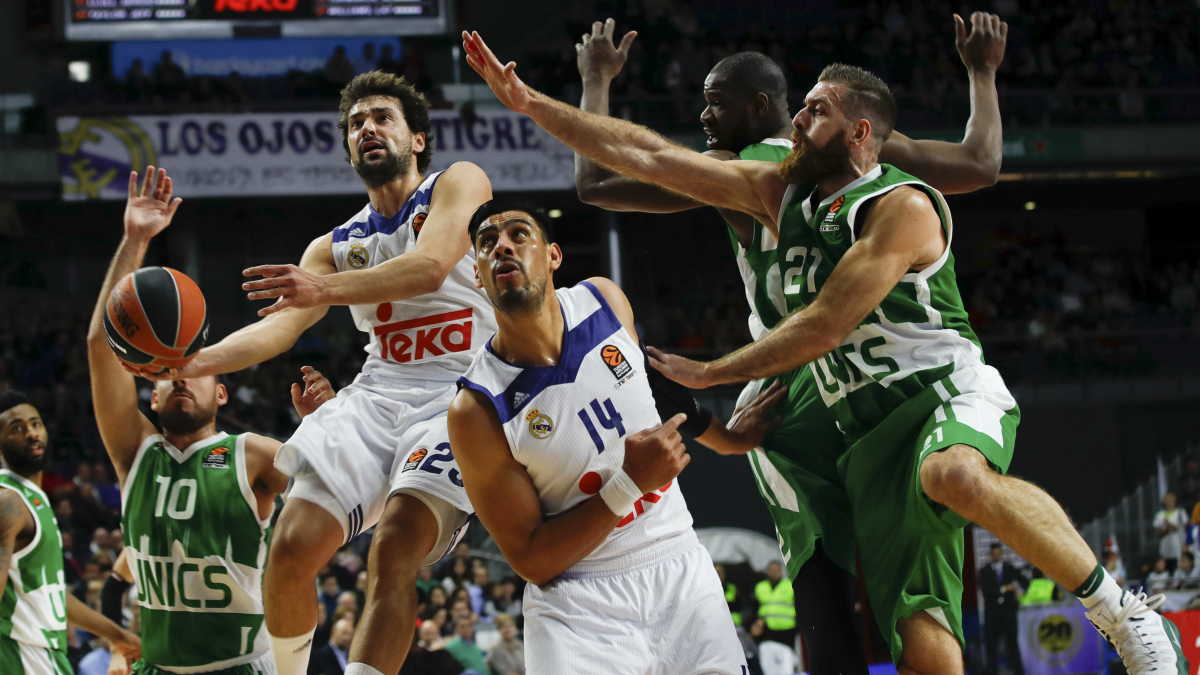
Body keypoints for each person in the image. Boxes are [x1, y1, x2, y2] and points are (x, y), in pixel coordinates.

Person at [462, 32, 1187, 673]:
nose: (797, 123)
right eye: (798, 110)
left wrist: (712, 375)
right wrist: (529, 99)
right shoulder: (773, 188)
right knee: (915, 624)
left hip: (927, 387)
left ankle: (1123, 613)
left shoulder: (894, 199)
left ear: (859, 133)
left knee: (952, 472)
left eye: (812, 113)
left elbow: (825, 323)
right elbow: (640, 154)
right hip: (851, 411)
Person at [572, 16, 1005, 675]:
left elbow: (596, 184)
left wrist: (596, 82)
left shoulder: (732, 168)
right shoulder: (866, 148)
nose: (703, 113)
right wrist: (981, 73)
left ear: (761, 107)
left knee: (815, 555)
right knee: (913, 559)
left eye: (715, 102)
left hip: (795, 376)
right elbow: (980, 163)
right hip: (875, 367)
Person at [138, 71, 494, 675]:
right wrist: (187, 361)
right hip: (378, 395)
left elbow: (431, 267)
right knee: (292, 548)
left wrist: (321, 289)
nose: (368, 129)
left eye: (382, 117)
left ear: (418, 139)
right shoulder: (332, 245)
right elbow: (278, 331)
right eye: (356, 123)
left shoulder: (458, 183)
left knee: (397, 542)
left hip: (463, 392)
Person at [449, 198, 784, 675]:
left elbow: (649, 387)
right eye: (487, 243)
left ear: (553, 256)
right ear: (478, 277)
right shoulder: (476, 406)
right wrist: (628, 484)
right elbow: (531, 558)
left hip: (678, 566)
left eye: (519, 233)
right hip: (577, 601)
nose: (502, 244)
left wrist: (728, 440)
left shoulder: (604, 299)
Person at [87, 167, 333, 675]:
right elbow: (100, 347)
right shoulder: (135, 452)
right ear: (149, 396)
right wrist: (135, 241)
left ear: (220, 389)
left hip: (242, 666)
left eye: (191, 367)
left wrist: (324, 427)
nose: (179, 376)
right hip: (155, 668)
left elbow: (333, 497)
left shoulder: (253, 453)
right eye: (165, 372)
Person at [0, 391, 142, 674]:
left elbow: (52, 595)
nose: (30, 433)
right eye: (17, 428)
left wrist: (117, 634)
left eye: (35, 424)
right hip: (19, 656)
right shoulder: (8, 503)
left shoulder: (33, 500)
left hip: (46, 655)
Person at [978, 543, 1024, 675]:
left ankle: (1018, 670)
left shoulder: (1010, 568)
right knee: (992, 644)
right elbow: (986, 590)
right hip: (992, 613)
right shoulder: (984, 571)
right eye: (994, 553)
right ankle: (992, 670)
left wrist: (1019, 593)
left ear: (1001, 554)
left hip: (1009, 612)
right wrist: (1004, 588)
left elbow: (1023, 581)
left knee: (1012, 643)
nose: (997, 555)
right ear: (991, 555)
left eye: (999, 553)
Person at [754, 561, 795, 646]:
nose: (774, 572)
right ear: (767, 571)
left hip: (787, 629)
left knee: (787, 656)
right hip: (767, 629)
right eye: (771, 570)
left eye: (776, 570)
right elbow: (755, 606)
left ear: (781, 571)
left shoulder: (790, 585)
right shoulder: (760, 586)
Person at [1155, 492, 1188, 571]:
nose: (1169, 501)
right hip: (1165, 550)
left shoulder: (1181, 512)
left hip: (1178, 548)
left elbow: (1183, 529)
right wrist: (1168, 528)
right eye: (1166, 499)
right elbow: (1159, 533)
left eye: (1170, 499)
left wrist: (1169, 525)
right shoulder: (1160, 515)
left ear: (1174, 500)